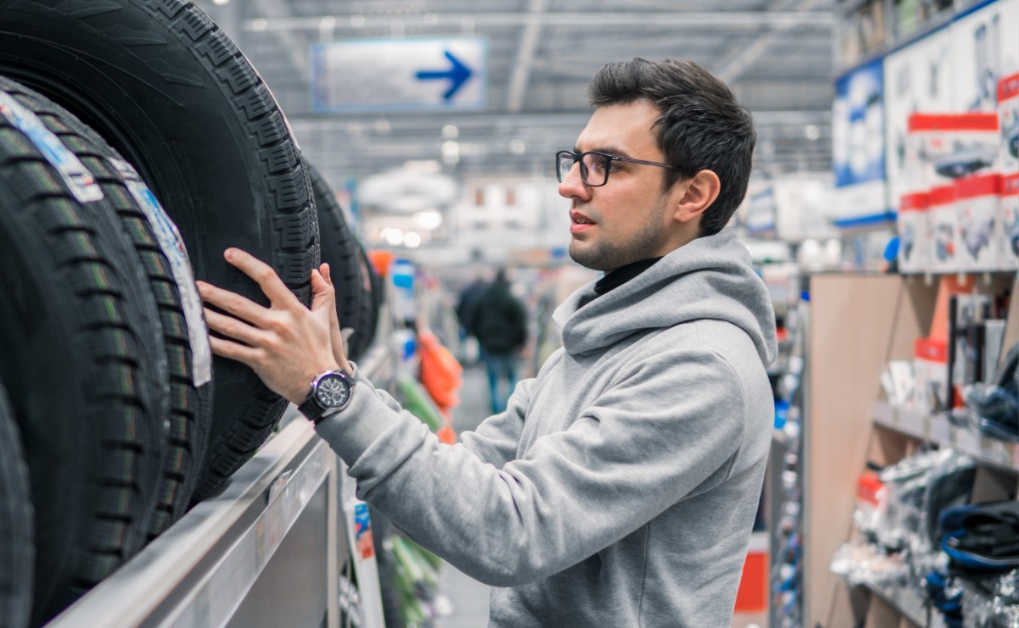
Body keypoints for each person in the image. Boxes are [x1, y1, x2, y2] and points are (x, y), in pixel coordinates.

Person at [197, 57, 775, 626]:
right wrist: (336, 371)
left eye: (608, 165)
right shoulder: (600, 337)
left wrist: (329, 392)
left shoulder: (703, 367)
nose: (571, 185)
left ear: (693, 194)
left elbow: (512, 531)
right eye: (576, 160)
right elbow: (467, 472)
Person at [464, 268, 528, 413]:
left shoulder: (483, 297)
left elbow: (472, 319)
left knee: (493, 380)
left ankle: (496, 412)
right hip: (509, 346)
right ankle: (511, 411)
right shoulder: (510, 298)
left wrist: (479, 337)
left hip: (489, 345)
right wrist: (520, 342)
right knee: (512, 378)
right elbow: (520, 321)